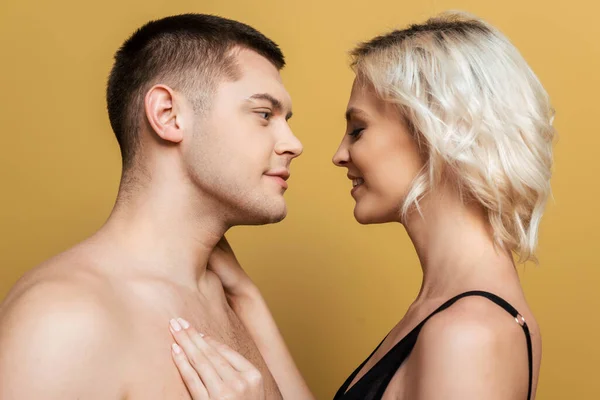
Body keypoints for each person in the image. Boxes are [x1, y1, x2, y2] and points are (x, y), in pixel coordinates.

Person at [172, 11, 554, 400]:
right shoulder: (452, 310)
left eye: (358, 129)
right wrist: (247, 300)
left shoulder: (468, 333)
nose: (339, 154)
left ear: (437, 132)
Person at [0, 13, 303, 399]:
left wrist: (250, 302)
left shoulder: (227, 299)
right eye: (264, 114)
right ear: (167, 115)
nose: (293, 143)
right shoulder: (62, 321)